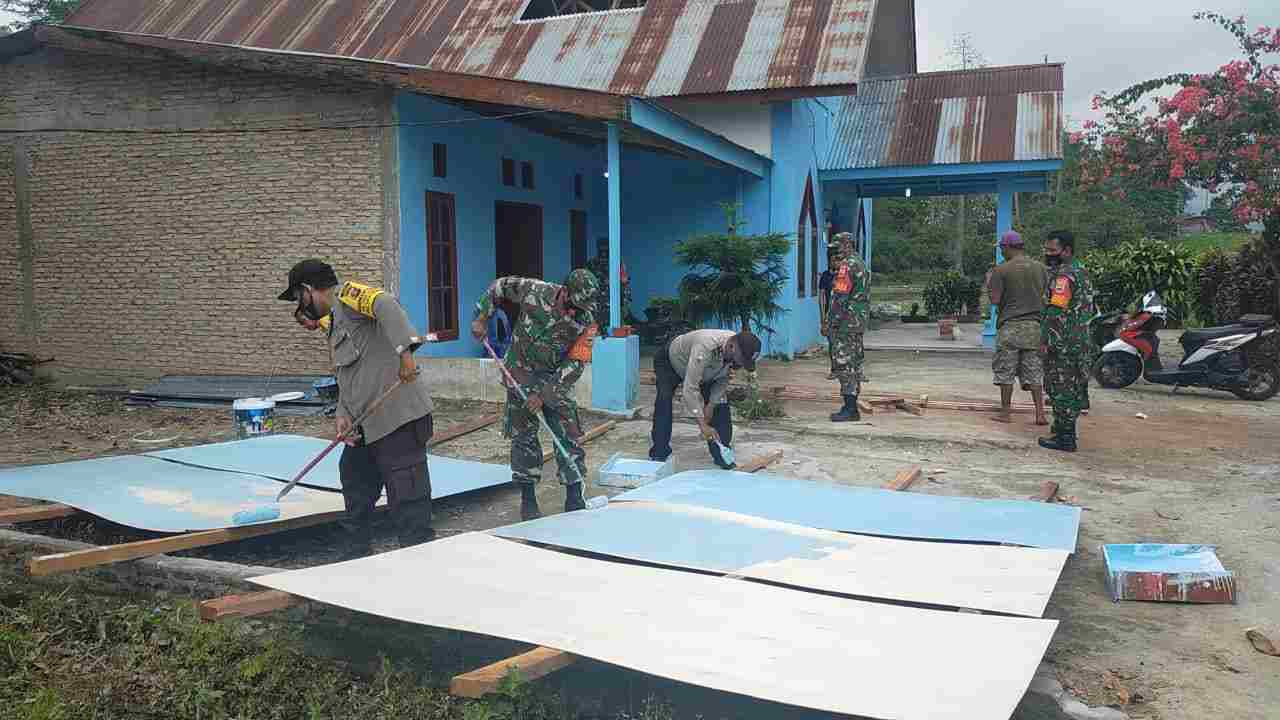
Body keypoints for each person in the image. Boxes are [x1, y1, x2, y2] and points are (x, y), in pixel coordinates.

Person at [279, 259, 436, 558]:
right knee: (354, 478)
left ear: (308, 289)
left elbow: (386, 303)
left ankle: (419, 561)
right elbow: (349, 374)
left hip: (397, 419)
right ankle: (355, 554)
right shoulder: (335, 322)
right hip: (365, 425)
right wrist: (343, 413)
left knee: (407, 498)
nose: (300, 305)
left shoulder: (349, 297)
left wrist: (406, 355)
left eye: (298, 297)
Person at [471, 270, 599, 520]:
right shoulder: (534, 289)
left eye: (582, 307)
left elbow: (576, 363)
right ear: (565, 292)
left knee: (568, 434)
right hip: (519, 373)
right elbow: (498, 287)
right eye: (573, 304)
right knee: (523, 437)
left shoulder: (588, 321)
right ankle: (528, 499)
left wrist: (544, 395)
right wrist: (482, 317)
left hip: (555, 380)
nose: (576, 311)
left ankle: (574, 494)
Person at [649, 328, 761, 469]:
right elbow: (690, 388)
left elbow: (722, 380)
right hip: (671, 362)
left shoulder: (735, 352)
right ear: (732, 346)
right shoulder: (706, 346)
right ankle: (659, 453)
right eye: (741, 359)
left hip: (707, 372)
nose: (740, 364)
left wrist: (711, 405)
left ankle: (722, 454)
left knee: (721, 405)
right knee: (663, 401)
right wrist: (702, 424)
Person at [1039, 230, 1097, 452]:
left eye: (1053, 250)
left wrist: (1044, 339)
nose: (1048, 254)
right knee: (1074, 386)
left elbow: (1055, 311)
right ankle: (1062, 430)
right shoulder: (1082, 271)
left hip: (1062, 342)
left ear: (1067, 251)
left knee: (1061, 388)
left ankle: (1065, 438)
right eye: (1046, 249)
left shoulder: (1064, 277)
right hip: (1080, 340)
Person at [987, 230, 1049, 425]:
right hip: (1034, 327)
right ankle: (1040, 414)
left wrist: (989, 283)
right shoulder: (1041, 268)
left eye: (1001, 248)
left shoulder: (1001, 270)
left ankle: (1005, 413)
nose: (1001, 252)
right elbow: (1045, 295)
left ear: (1007, 247)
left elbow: (995, 299)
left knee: (1006, 371)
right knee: (1034, 371)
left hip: (1010, 327)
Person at [827, 232, 870, 422]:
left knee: (844, 363)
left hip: (845, 322)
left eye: (837, 247)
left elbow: (840, 297)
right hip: (857, 321)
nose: (836, 251)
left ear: (846, 245)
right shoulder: (860, 263)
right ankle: (851, 405)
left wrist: (832, 322)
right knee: (854, 362)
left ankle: (850, 408)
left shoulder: (848, 265)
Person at [819, 251, 837, 380]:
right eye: (833, 260)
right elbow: (822, 297)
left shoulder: (845, 276)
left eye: (837, 260)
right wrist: (822, 316)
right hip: (830, 314)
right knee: (832, 342)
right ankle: (834, 369)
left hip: (844, 316)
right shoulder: (825, 276)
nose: (835, 262)